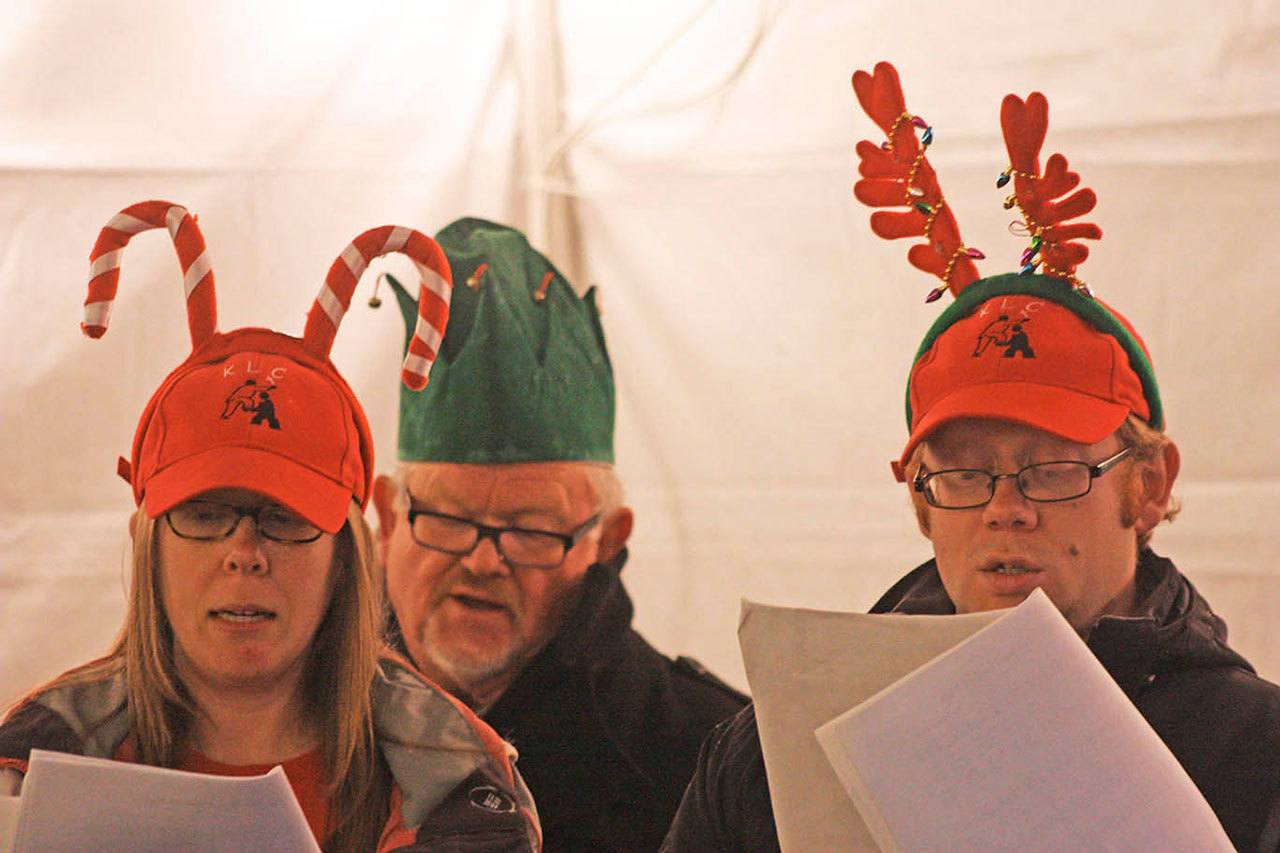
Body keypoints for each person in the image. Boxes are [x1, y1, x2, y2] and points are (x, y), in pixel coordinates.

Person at [662, 63, 1280, 852]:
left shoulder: (1254, 751)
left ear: (1149, 486)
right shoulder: (772, 753)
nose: (1004, 507)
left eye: (1051, 468)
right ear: (921, 503)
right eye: (963, 474)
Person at [0, 202, 539, 852]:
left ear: (345, 553)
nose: (245, 552)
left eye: (285, 518)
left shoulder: (459, 780)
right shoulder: (32, 756)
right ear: (150, 543)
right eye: (204, 513)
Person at [372, 218, 747, 851]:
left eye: (531, 532)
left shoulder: (711, 762)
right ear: (385, 518)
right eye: (449, 520)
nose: (483, 562)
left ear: (607, 540)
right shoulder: (289, 729)